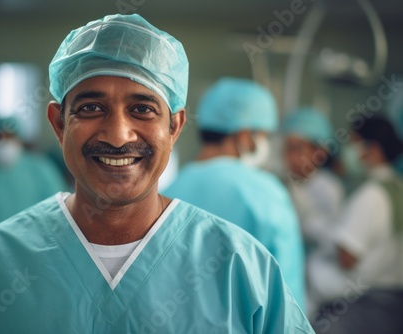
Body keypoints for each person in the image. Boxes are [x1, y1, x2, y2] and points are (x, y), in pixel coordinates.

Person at [0, 14, 313, 333]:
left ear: (174, 127)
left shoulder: (242, 270)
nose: (117, 135)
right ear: (59, 124)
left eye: (142, 108)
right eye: (91, 108)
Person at [163, 77, 306, 310]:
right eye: (263, 136)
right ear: (243, 135)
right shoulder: (266, 194)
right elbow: (288, 296)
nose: (265, 145)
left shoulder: (168, 192)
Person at [310, 115, 403, 334]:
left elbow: (347, 257)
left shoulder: (372, 195)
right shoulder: (397, 187)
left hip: (367, 303)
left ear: (373, 149)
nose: (347, 152)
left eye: (353, 144)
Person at [282, 107, 345, 314]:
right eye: (287, 148)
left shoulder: (328, 188)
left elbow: (331, 243)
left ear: (320, 152)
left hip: (317, 288)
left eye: (297, 148)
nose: (289, 156)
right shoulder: (285, 184)